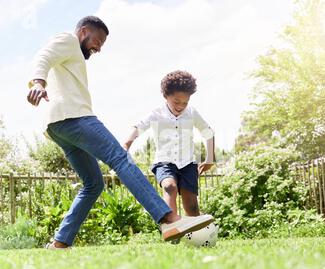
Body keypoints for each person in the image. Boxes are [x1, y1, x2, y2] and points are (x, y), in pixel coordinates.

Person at [26, 16, 213, 249]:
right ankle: (168, 219)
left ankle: (61, 242)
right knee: (120, 158)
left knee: (93, 184)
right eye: (98, 40)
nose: (99, 48)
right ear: (84, 31)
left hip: (57, 127)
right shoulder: (68, 40)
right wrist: (37, 83)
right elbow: (43, 56)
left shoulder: (73, 54)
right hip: (75, 117)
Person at [123, 70, 215, 221]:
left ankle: (195, 232)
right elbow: (138, 127)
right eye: (176, 102)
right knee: (169, 187)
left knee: (191, 203)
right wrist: (127, 144)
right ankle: (171, 225)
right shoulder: (156, 114)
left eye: (185, 102)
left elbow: (208, 133)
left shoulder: (192, 113)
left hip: (188, 163)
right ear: (166, 96)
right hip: (164, 161)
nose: (181, 106)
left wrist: (210, 159)